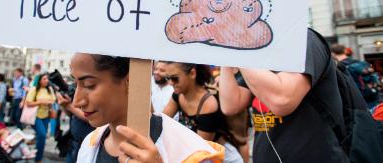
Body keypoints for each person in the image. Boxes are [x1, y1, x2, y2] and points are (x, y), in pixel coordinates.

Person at [219, 29, 349, 162]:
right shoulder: (262, 52)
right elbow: (230, 105)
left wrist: (237, 47)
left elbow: (282, 101)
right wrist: (226, 56)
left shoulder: (304, 40)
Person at [73, 54, 224, 163]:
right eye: (75, 85)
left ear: (130, 81)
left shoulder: (190, 153)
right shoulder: (90, 144)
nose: (76, 101)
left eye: (89, 85)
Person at [162, 62, 243, 163]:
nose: (170, 83)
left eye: (174, 78)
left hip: (222, 158)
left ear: (192, 73)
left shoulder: (208, 104)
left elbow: (199, 151)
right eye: (167, 78)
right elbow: (162, 122)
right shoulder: (178, 95)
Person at [57, 85, 95, 163]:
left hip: (87, 144)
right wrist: (65, 106)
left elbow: (92, 118)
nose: (76, 102)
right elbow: (71, 114)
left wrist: (70, 106)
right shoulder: (74, 89)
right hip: (73, 142)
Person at [25, 73, 56, 163]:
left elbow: (53, 100)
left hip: (46, 115)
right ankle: (38, 159)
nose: (46, 80)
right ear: (39, 80)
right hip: (35, 116)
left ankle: (37, 152)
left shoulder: (50, 89)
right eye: (44, 79)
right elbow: (28, 103)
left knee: (42, 136)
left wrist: (48, 102)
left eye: (47, 79)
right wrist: (40, 102)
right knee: (42, 135)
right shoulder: (34, 89)